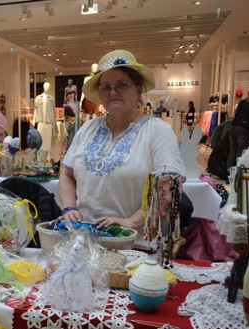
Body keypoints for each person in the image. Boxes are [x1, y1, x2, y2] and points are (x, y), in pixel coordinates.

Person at [59, 49, 184, 233]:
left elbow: (169, 188)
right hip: (82, 241)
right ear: (100, 94)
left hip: (134, 243)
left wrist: (131, 222)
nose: (113, 92)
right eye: (105, 87)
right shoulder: (88, 129)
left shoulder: (157, 131)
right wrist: (69, 208)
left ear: (139, 89)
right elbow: (67, 175)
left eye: (122, 85)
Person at [227, 93, 249, 169]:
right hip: (243, 129)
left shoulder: (242, 102)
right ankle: (238, 175)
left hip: (233, 127)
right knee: (240, 154)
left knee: (232, 153)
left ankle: (229, 174)